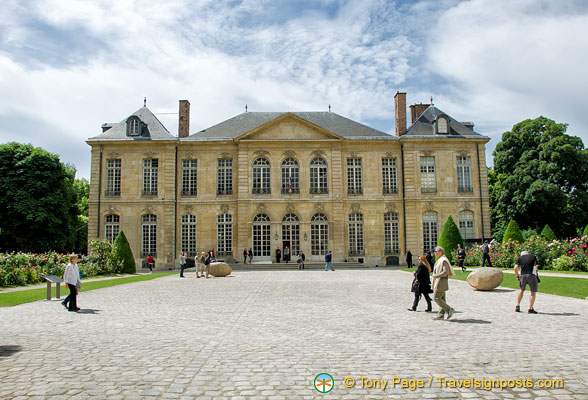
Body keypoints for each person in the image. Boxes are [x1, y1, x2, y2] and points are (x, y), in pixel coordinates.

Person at [431, 246, 455, 320]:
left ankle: (449, 309)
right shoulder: (440, 260)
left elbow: (445, 272)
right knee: (442, 298)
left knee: (436, 298)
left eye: (436, 251)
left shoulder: (443, 260)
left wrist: (436, 275)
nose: (435, 253)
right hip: (439, 281)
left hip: (441, 281)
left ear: (441, 252)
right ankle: (441, 314)